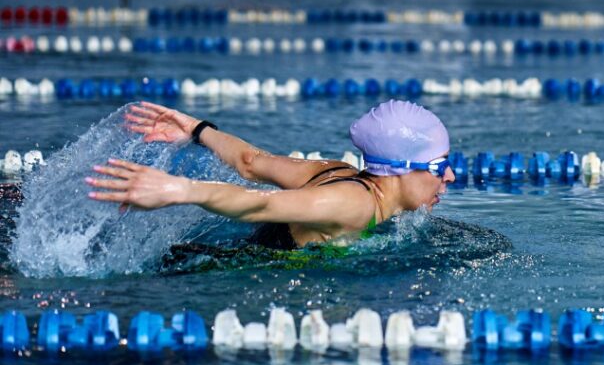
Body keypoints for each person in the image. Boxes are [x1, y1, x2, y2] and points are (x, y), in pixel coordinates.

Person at [86, 100, 455, 249]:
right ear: (397, 170)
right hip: (218, 270)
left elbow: (250, 161)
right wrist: (178, 189)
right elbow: (258, 205)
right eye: (439, 167)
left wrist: (197, 129)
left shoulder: (337, 172)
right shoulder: (354, 204)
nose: (450, 176)